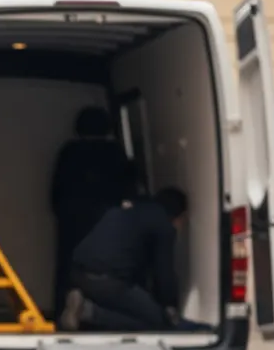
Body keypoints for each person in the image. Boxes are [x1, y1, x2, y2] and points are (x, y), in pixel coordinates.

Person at [59, 187, 190, 332]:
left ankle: (85, 307)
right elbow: (164, 273)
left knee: (132, 306)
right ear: (179, 215)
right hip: (107, 281)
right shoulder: (164, 225)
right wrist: (170, 308)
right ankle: (90, 312)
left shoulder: (124, 210)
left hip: (78, 274)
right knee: (158, 324)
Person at [49, 106, 137, 316]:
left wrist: (63, 212)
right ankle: (99, 314)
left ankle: (65, 308)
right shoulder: (114, 152)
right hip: (107, 220)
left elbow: (57, 190)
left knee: (68, 266)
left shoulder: (69, 151)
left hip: (72, 219)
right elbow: (127, 187)